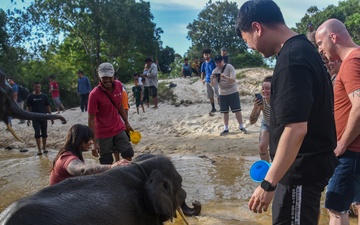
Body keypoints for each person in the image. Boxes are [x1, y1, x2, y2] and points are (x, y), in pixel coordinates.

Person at [236, 1, 338, 224]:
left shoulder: (293, 59)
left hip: (299, 174)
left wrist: (268, 183)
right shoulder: (301, 50)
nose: (250, 47)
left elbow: (296, 129)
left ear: (257, 28)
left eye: (247, 41)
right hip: (297, 171)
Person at [316, 18, 360, 225]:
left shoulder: (352, 62)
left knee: (335, 207)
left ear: (333, 37)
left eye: (319, 43)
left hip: (351, 151)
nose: (320, 49)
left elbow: (359, 106)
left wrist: (342, 143)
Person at [50, 124, 130, 185]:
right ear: (80, 140)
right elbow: (82, 170)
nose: (91, 142)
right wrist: (111, 167)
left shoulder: (72, 154)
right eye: (89, 139)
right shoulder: (66, 157)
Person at [88, 62, 134, 165]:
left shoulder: (118, 85)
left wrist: (126, 123)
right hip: (103, 133)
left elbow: (120, 106)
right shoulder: (94, 94)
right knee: (106, 161)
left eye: (109, 77)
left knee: (128, 153)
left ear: (113, 75)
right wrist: (94, 142)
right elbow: (91, 119)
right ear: (100, 77)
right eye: (104, 78)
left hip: (118, 127)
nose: (107, 80)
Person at [211, 55, 247, 135]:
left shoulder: (229, 67)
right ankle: (226, 128)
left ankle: (241, 126)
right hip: (222, 93)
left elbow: (233, 80)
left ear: (223, 60)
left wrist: (225, 77)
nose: (218, 63)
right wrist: (212, 78)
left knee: (237, 110)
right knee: (225, 112)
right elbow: (213, 85)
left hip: (232, 91)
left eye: (219, 61)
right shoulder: (215, 71)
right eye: (216, 62)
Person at [26, 82, 54, 156]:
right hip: (34, 118)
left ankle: (44, 148)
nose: (37, 88)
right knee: (37, 133)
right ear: (34, 87)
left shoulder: (44, 96)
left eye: (39, 87)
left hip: (44, 117)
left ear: (40, 87)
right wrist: (28, 119)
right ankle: (39, 149)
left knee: (44, 133)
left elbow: (48, 106)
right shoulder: (30, 96)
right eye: (36, 87)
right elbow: (28, 108)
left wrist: (51, 117)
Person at [249, 76, 272, 162]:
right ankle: (266, 168)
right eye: (263, 88)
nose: (264, 91)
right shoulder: (262, 101)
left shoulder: (279, 100)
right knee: (262, 146)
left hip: (278, 125)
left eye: (267, 88)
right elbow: (252, 121)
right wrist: (256, 108)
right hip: (266, 124)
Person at [200, 48, 218, 113]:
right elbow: (202, 72)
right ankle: (213, 108)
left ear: (209, 54)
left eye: (207, 54)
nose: (206, 56)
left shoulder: (213, 62)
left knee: (217, 94)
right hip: (207, 80)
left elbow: (217, 69)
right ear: (203, 55)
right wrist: (202, 79)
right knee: (210, 95)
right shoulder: (203, 64)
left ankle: (221, 107)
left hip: (214, 80)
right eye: (205, 55)